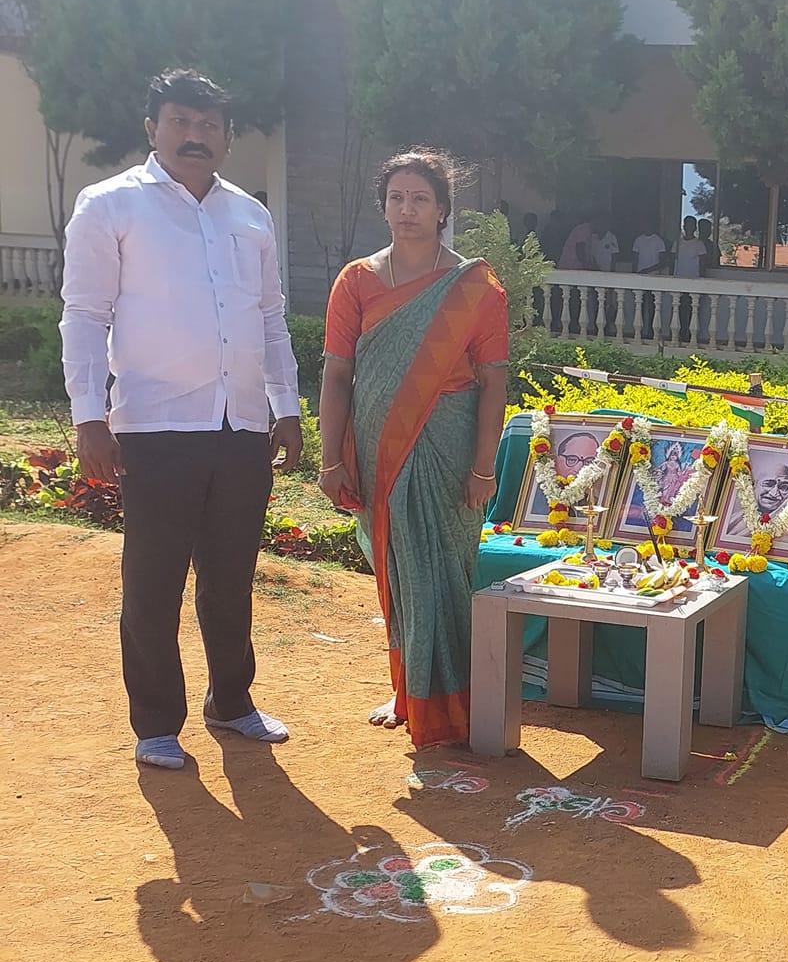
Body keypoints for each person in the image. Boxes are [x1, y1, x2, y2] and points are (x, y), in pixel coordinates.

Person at [59, 69, 302, 771]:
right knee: (154, 581)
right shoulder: (109, 206)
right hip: (155, 425)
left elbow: (269, 318)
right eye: (180, 122)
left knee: (231, 576)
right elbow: (85, 315)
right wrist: (89, 416)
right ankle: (157, 723)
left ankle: (232, 701)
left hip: (239, 426)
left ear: (227, 137)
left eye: (209, 126)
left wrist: (285, 407)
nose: (195, 136)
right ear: (152, 128)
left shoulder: (249, 216)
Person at [318, 149, 509, 748]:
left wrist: (484, 467)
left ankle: (452, 704)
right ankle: (409, 691)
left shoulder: (475, 288)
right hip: (378, 449)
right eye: (397, 198)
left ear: (443, 209)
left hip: (449, 450)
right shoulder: (356, 280)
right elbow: (337, 375)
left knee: (445, 573)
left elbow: (494, 383)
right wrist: (330, 459)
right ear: (383, 207)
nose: (407, 209)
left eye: (420, 198)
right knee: (399, 570)